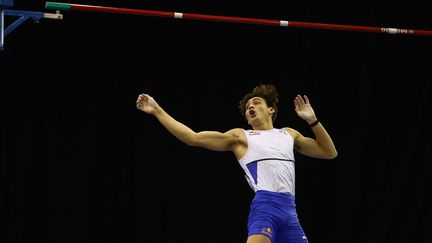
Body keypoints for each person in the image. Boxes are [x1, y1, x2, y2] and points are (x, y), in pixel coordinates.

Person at [136, 84, 337, 243]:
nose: (251, 106)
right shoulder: (240, 136)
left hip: (290, 211)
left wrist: (313, 121)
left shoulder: (288, 133)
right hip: (266, 207)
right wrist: (157, 110)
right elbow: (192, 137)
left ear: (271, 109)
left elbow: (329, 152)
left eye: (256, 102)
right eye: (248, 105)